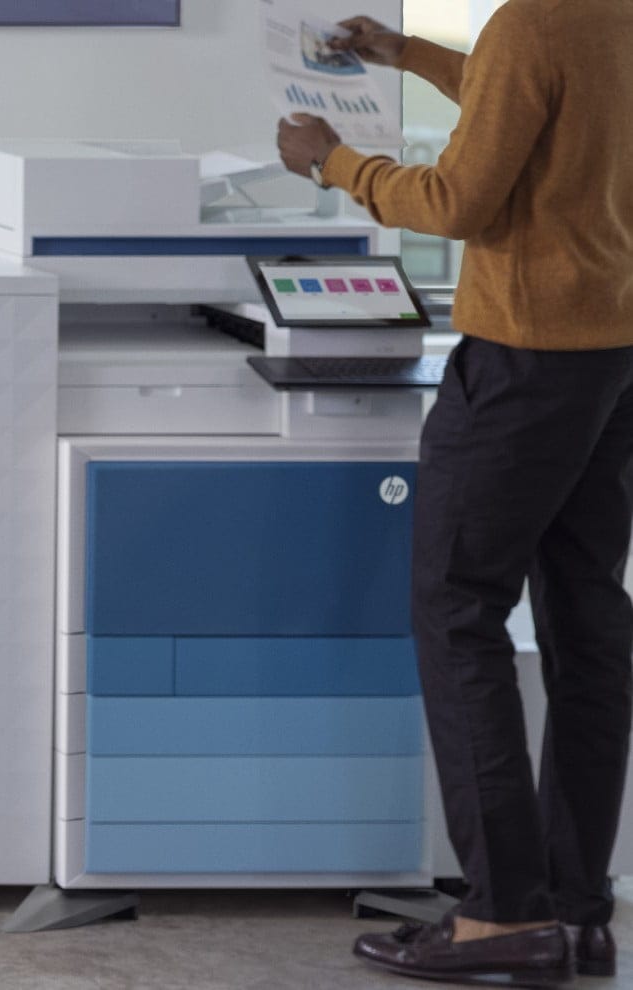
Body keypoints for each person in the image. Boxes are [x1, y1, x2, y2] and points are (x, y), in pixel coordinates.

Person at [279, 6, 633, 984]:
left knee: (455, 609)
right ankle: (575, 913)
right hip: (610, 356)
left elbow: (458, 202)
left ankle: (499, 919)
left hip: (521, 363)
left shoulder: (533, 22)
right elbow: (545, 97)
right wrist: (405, 54)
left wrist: (333, 161)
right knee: (589, 624)